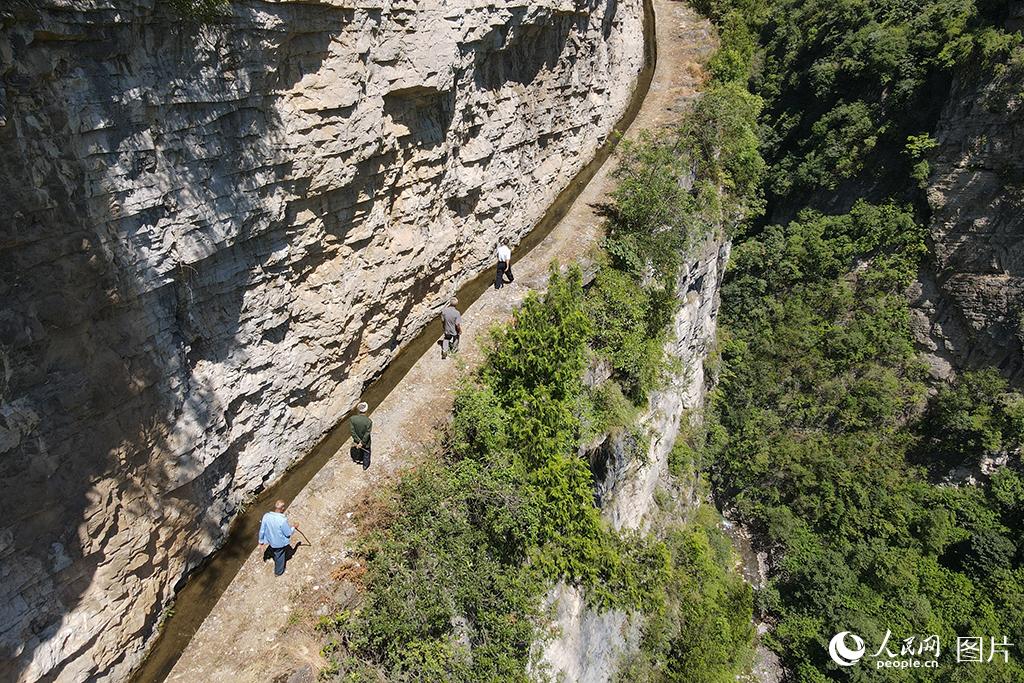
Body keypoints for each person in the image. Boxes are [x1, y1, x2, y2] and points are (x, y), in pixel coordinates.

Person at [258, 499, 299, 577]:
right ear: (282, 508)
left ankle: (272, 553)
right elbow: (288, 533)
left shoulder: (266, 516)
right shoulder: (282, 520)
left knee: (274, 550)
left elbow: (262, 530)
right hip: (279, 544)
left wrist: (261, 542)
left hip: (270, 540)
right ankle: (278, 572)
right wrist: (294, 527)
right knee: (279, 556)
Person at [350, 401, 372, 470]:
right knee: (367, 453)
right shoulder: (368, 421)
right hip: (366, 442)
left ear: (358, 410)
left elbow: (352, 432)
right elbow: (367, 434)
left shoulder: (352, 419)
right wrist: (362, 443)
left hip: (356, 440)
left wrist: (358, 441)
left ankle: (358, 459)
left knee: (359, 450)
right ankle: (365, 465)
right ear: (366, 411)